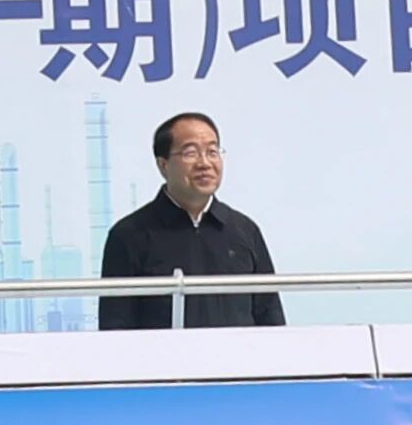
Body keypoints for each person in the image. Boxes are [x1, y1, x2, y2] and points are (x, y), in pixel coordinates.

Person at [97, 111, 287, 328]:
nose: (204, 163)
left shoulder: (244, 230)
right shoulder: (129, 235)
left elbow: (270, 317)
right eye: (190, 153)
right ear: (163, 165)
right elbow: (115, 326)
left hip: (238, 351)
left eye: (212, 152)